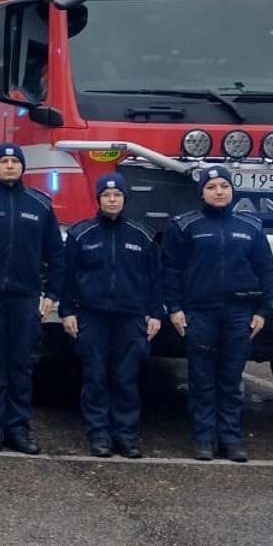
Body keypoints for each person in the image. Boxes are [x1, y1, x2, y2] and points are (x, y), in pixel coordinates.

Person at [162, 165, 273, 462]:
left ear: (233, 190)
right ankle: (202, 440)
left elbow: (264, 270)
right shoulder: (186, 226)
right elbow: (171, 270)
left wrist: (263, 309)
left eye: (224, 186)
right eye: (211, 188)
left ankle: (230, 440)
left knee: (231, 379)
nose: (219, 192)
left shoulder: (251, 227)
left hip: (238, 312)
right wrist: (174, 308)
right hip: (200, 313)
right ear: (201, 193)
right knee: (201, 379)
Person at [0, 142, 64, 455]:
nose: (9, 166)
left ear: (22, 167)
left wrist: (52, 294)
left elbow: (56, 255)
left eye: (14, 161)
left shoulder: (40, 204)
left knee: (21, 367)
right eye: (3, 161)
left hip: (25, 297)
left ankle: (19, 430)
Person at [49, 173, 162, 458]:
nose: (112, 200)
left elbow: (155, 279)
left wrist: (155, 313)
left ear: (125, 198)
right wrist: (67, 311)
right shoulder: (81, 234)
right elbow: (68, 277)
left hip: (130, 317)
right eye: (106, 195)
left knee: (126, 378)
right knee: (95, 377)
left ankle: (125, 436)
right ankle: (99, 435)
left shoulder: (143, 235)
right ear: (98, 199)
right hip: (92, 316)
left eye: (117, 195)